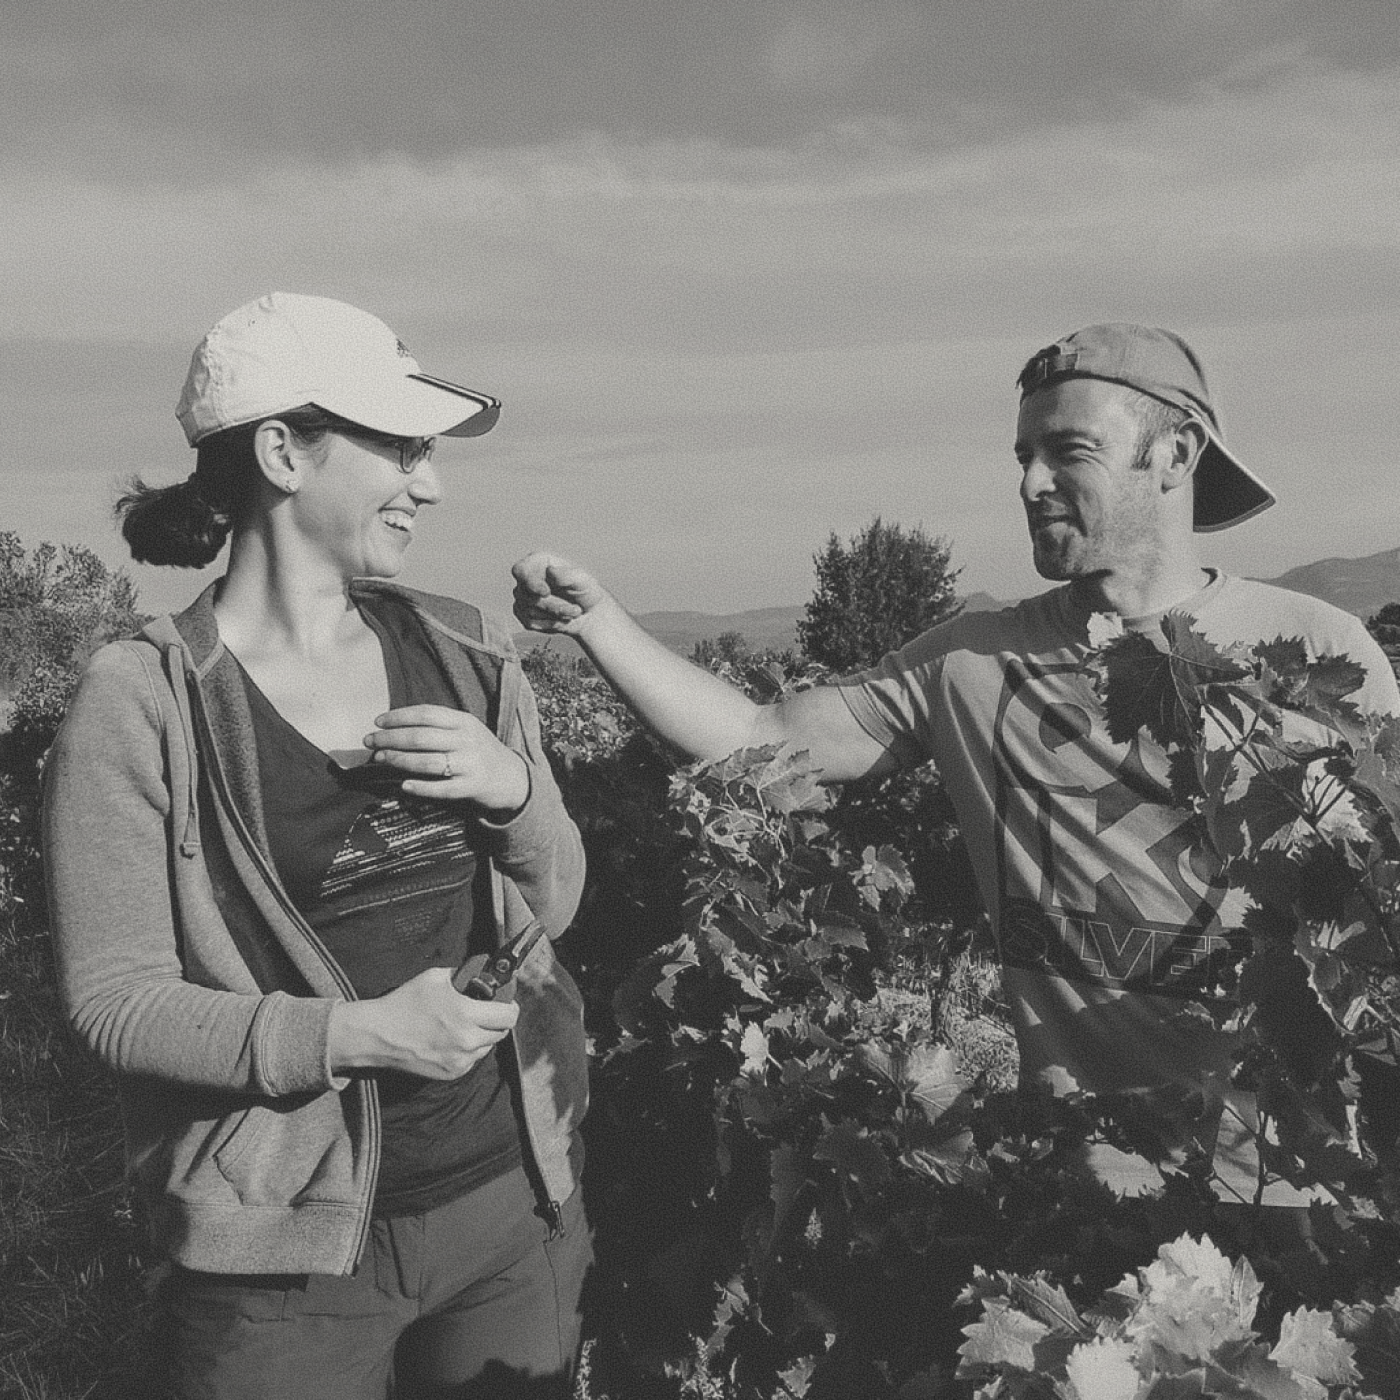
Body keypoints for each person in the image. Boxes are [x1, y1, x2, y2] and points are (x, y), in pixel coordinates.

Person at [513, 322, 1400, 1205]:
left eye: (1069, 450)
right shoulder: (969, 662)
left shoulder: (1320, 650)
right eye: (1023, 454)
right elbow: (759, 734)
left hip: (1308, 1181)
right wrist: (599, 623)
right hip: (1085, 1182)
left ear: (1176, 453)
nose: (1029, 482)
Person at [42, 292, 591, 1399]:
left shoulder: (470, 659)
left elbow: (559, 898)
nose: (427, 481)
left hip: (509, 1209)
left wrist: (515, 789)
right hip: (281, 1261)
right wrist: (359, 1034)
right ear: (284, 452)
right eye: (399, 445)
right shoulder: (142, 702)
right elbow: (116, 1001)